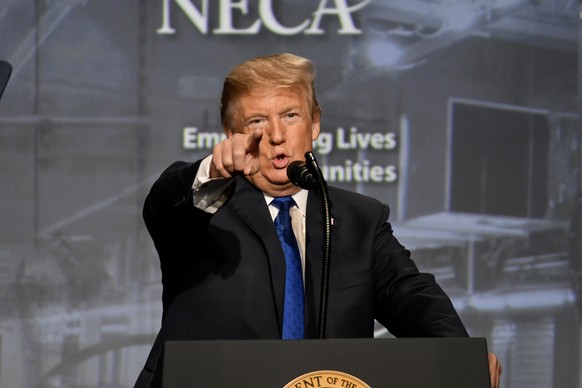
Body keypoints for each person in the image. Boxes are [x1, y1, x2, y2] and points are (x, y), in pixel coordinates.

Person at [135, 53, 502, 387]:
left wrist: (461, 355)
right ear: (233, 136)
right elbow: (165, 202)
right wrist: (213, 170)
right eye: (257, 121)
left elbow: (414, 297)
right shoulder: (204, 209)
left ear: (315, 123)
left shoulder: (360, 218)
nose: (276, 136)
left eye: (290, 115)